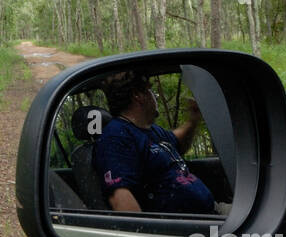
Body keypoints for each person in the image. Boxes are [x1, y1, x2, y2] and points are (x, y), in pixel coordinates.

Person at [92, 70, 217, 214]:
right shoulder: (115, 137)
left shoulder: (152, 130)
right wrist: (152, 235)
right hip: (181, 229)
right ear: (138, 95)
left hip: (208, 214)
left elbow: (178, 142)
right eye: (150, 90)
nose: (154, 96)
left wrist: (193, 120)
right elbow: (120, 199)